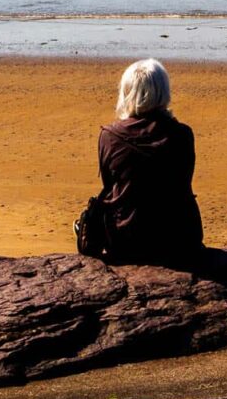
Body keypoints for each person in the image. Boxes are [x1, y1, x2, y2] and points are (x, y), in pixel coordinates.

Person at [83, 58, 203, 266]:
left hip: (126, 240)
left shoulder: (109, 136)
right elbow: (183, 182)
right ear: (164, 92)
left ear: (126, 92)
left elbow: (110, 186)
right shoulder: (183, 135)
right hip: (179, 239)